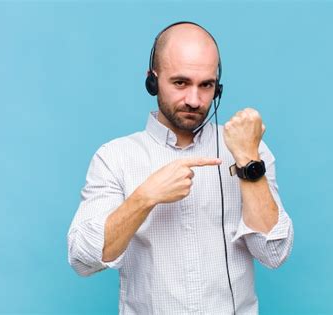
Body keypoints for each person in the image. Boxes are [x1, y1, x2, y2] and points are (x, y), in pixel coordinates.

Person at [67, 21, 294, 314]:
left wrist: (249, 161)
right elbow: (83, 260)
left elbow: (274, 254)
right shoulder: (114, 157)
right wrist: (144, 197)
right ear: (152, 81)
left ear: (218, 87)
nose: (194, 100)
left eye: (206, 85)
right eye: (180, 83)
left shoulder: (248, 149)